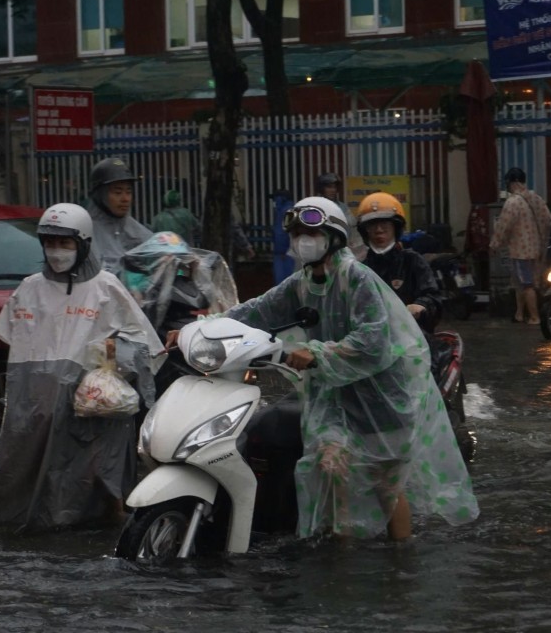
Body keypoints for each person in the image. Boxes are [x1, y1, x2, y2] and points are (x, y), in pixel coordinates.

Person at [169, 196, 478, 541]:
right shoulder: (301, 282)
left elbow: (373, 339)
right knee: (331, 471)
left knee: (385, 486)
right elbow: (256, 311)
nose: (303, 240)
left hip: (380, 397)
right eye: (298, 233)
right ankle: (339, 558)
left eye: (311, 232)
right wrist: (197, 329)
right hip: (332, 395)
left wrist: (317, 352)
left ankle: (400, 564)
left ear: (333, 237)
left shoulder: (358, 279)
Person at [0, 203, 164, 532]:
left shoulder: (106, 288)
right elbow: (12, 343)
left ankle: (104, 520)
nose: (56, 252)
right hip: (36, 404)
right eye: (49, 243)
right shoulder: (29, 289)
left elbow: (146, 346)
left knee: (97, 471)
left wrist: (115, 353)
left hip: (91, 403)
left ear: (84, 244)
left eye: (65, 244)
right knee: (27, 466)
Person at [354, 191, 445, 334]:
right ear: (365, 231)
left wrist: (420, 305)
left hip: (412, 338)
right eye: (372, 225)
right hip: (372, 339)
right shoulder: (360, 267)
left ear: (396, 228)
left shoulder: (412, 260)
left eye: (385, 224)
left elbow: (433, 296)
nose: (379, 230)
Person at [489, 167, 551, 325]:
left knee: (526, 284)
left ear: (512, 183)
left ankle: (534, 317)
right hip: (536, 249)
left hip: (520, 250)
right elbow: (549, 219)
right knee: (520, 283)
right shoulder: (535, 198)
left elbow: (504, 225)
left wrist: (495, 245)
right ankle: (519, 314)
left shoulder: (512, 202)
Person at [87, 157, 153, 272]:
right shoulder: (86, 232)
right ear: (99, 194)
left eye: (129, 192)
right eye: (117, 192)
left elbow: (157, 251)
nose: (125, 199)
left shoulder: (134, 228)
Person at [315, 172, 364, 258]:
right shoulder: (316, 206)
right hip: (322, 251)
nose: (333, 190)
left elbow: (351, 225)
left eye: (334, 187)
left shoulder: (342, 206)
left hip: (343, 249)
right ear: (321, 188)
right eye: (329, 187)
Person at [270, 188, 296, 283]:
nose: (273, 202)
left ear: (281, 199)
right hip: (291, 251)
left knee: (283, 283)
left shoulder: (283, 211)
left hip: (284, 254)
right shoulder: (290, 209)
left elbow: (280, 233)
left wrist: (282, 251)